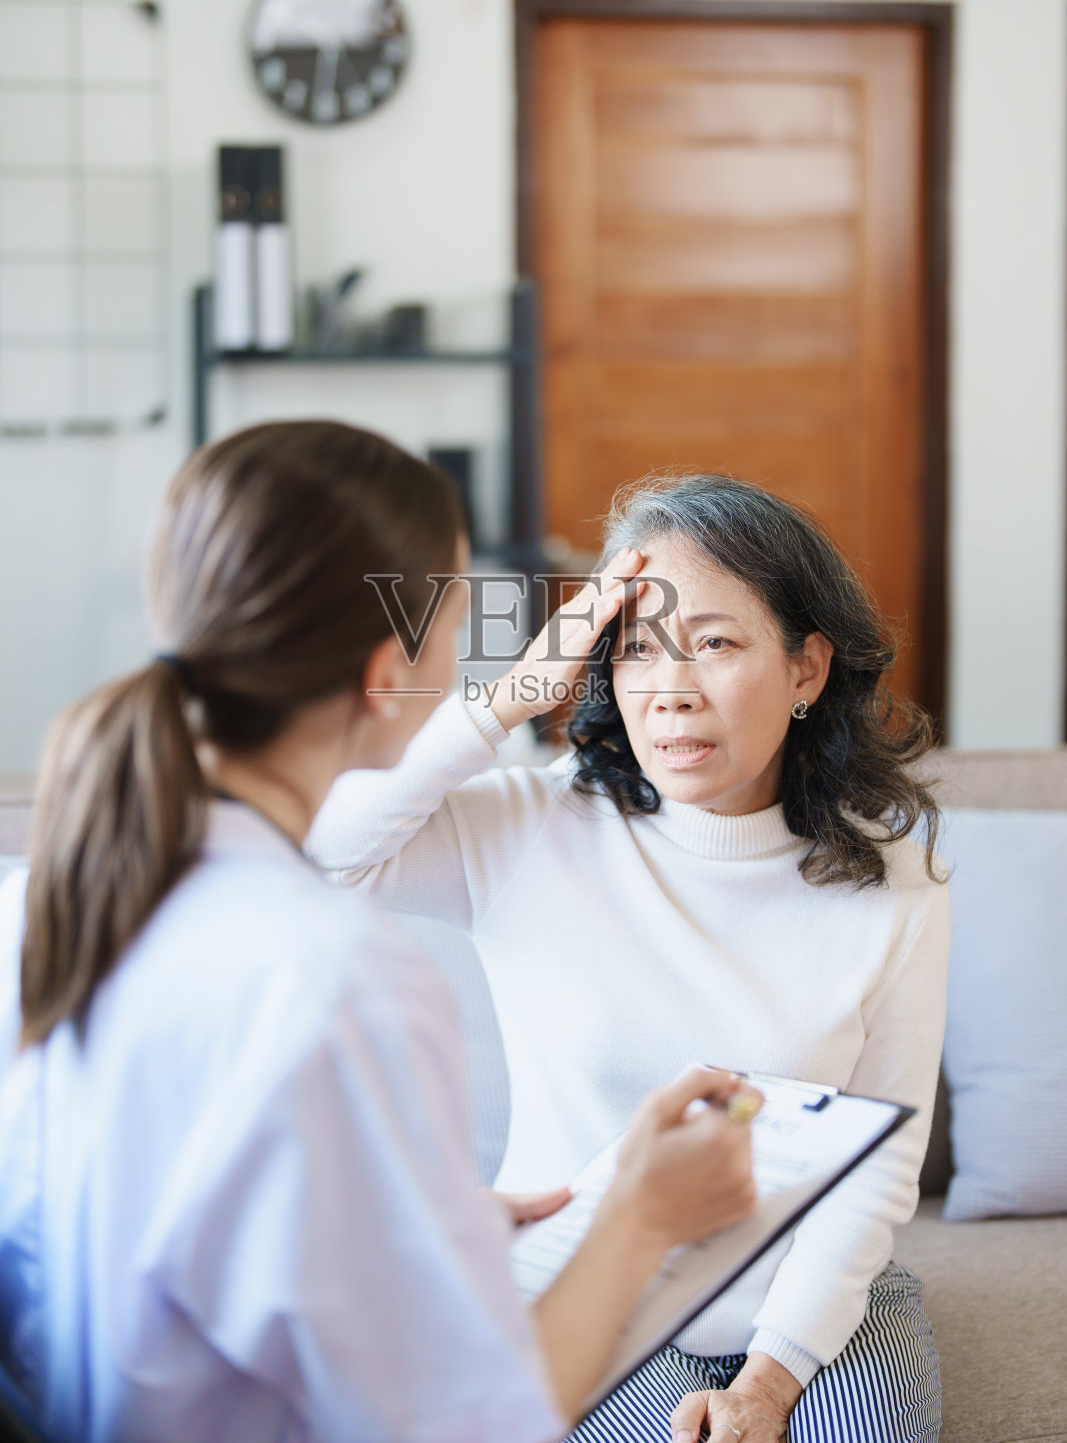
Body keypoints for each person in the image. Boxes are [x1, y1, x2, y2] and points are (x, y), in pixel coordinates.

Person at [0, 428, 759, 1443]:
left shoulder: (47, 903)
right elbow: (471, 1423)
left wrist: (401, 1229)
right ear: (378, 673)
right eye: (451, 615)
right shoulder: (340, 978)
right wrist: (637, 1219)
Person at [308, 472, 951, 1443]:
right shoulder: (530, 827)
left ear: (806, 669)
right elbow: (321, 856)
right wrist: (512, 694)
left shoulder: (896, 884)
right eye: (637, 647)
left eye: (716, 642)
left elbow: (875, 1171)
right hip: (588, 1286)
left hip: (807, 1299)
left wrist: (770, 1381)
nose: (671, 689)